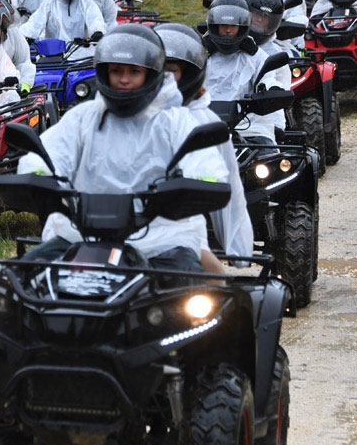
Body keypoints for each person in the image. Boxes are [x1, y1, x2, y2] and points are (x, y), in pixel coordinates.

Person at [16, 25, 228, 270]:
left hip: (160, 239)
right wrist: (38, 173)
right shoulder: (83, 117)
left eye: (134, 71)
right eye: (116, 70)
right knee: (18, 278)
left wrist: (204, 180)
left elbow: (202, 160)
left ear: (151, 74)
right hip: (80, 236)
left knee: (191, 295)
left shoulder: (174, 121)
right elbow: (51, 152)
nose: (124, 79)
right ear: (104, 72)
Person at [156, 22, 253, 264]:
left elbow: (226, 184)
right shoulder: (119, 114)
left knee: (213, 284)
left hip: (178, 235)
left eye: (171, 70)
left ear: (190, 74)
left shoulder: (202, 122)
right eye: (157, 70)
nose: (163, 79)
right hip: (112, 231)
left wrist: (238, 251)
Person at [235, 0, 292, 142]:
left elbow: (276, 98)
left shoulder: (275, 55)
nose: (259, 19)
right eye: (256, 14)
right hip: (224, 120)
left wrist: (276, 127)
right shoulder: (228, 48)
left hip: (258, 121)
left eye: (265, 17)